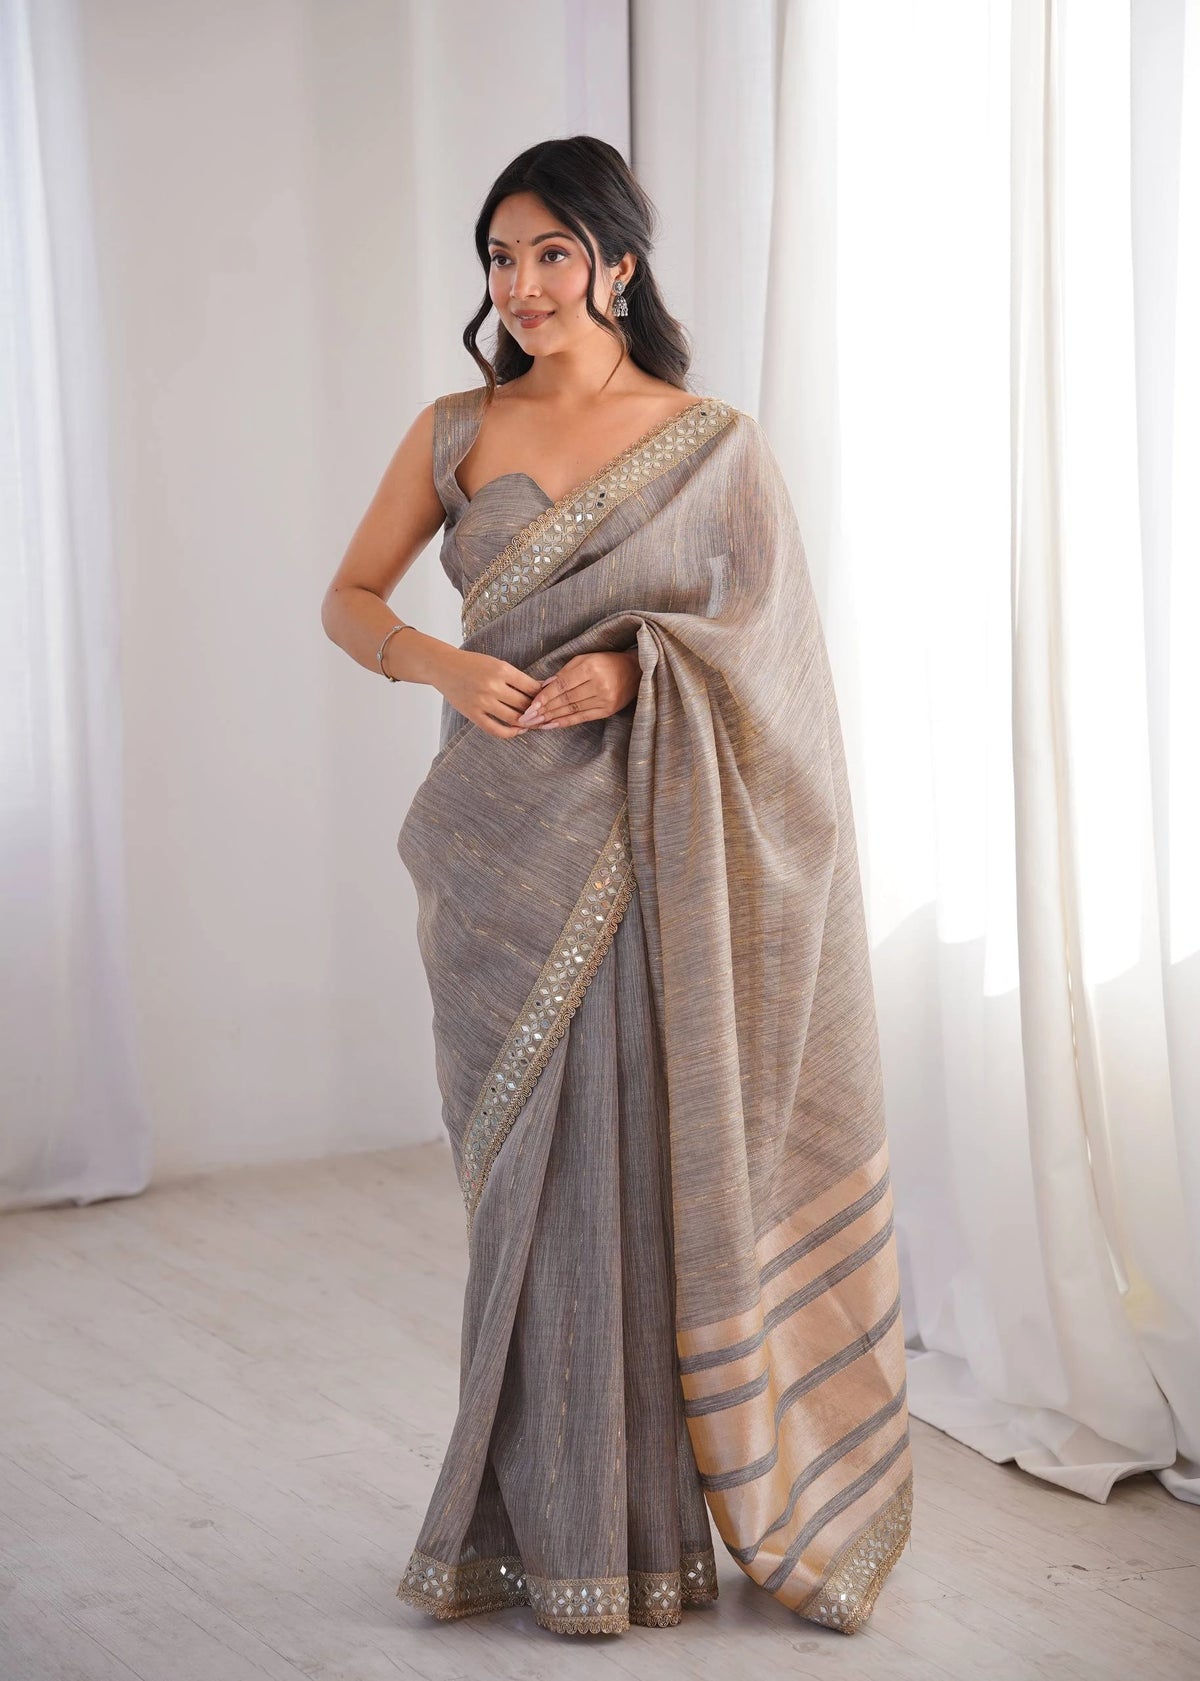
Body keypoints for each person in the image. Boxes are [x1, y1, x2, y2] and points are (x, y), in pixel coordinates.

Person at [320, 135, 913, 1639]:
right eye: (501, 257)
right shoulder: (457, 429)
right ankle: (533, 1527)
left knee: (635, 1181)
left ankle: (639, 1540)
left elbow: (770, 652)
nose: (522, 285)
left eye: (553, 254)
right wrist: (447, 664)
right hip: (494, 861)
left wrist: (638, 669)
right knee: (523, 1198)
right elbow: (349, 595)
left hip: (652, 851)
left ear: (619, 264)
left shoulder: (711, 444)